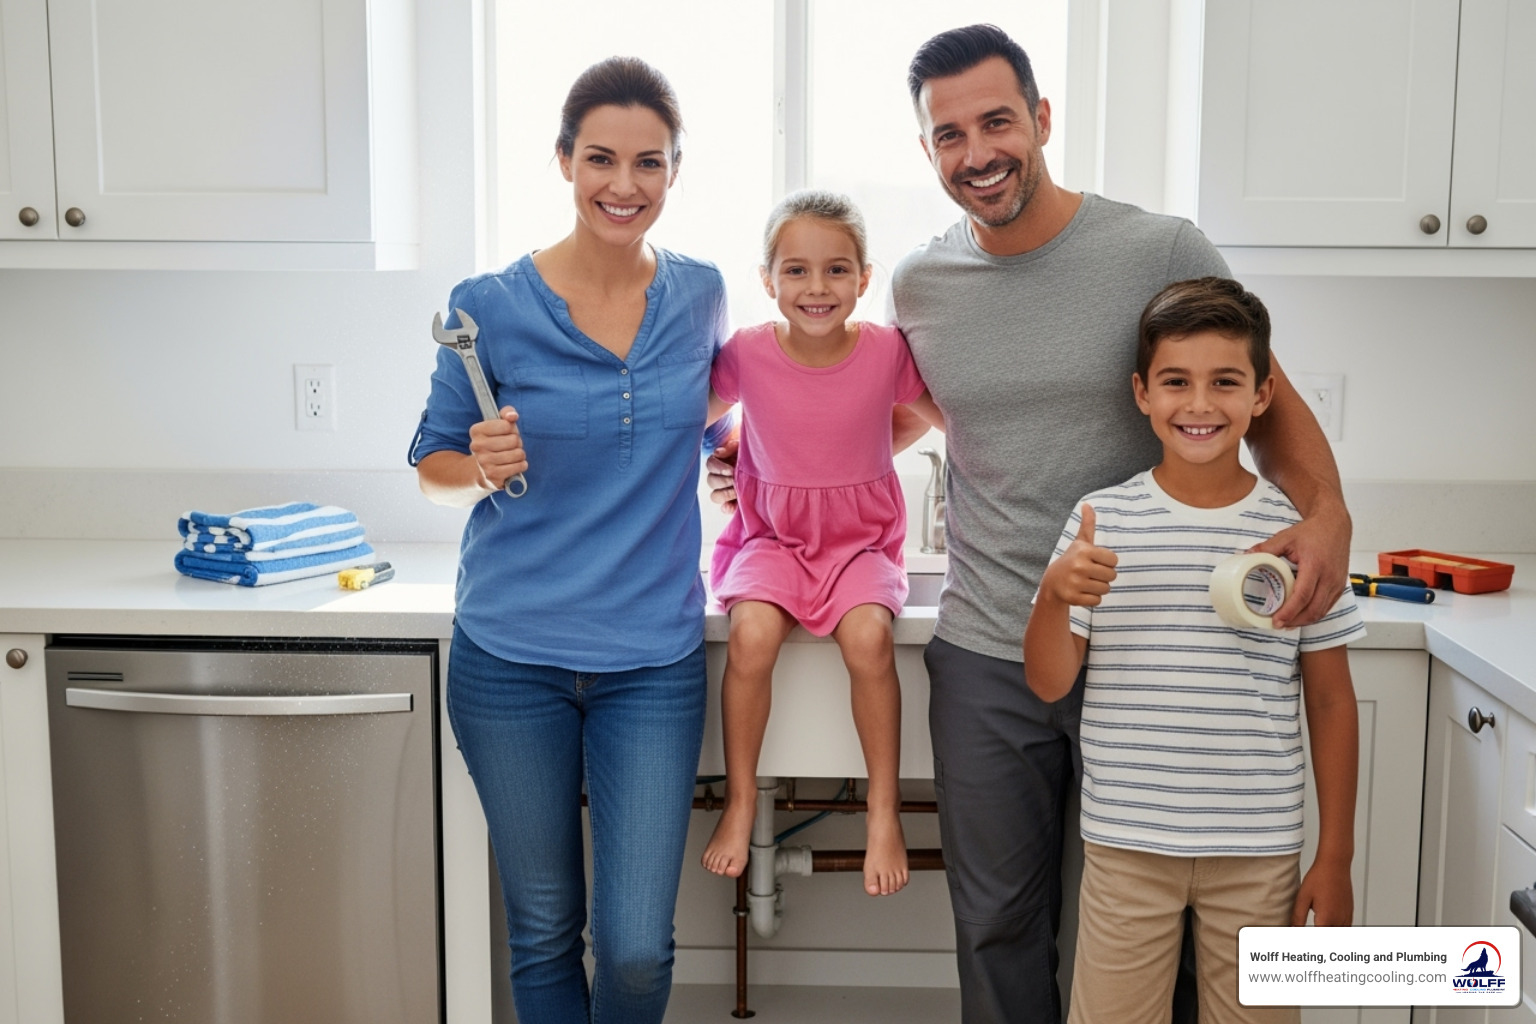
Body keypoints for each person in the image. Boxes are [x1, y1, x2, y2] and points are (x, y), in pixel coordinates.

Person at [703, 23, 1353, 1023]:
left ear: (1042, 119)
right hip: (987, 648)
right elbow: (896, 408)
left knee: (1153, 930)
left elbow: (1262, 399)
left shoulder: (1158, 247)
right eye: (949, 134)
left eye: (997, 120)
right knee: (997, 923)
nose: (978, 153)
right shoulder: (919, 285)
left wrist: (1327, 518)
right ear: (927, 152)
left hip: (1147, 648)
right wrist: (761, 445)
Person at [408, 57, 732, 1024]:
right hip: (510, 657)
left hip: (652, 661)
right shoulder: (490, 305)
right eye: (600, 159)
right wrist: (481, 461)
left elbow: (702, 417)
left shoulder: (703, 294)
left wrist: (732, 454)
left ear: (675, 171)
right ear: (563, 161)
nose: (622, 186)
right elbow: (430, 467)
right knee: (544, 926)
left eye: (648, 163)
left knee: (635, 947)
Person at [1024, 277, 1362, 1024]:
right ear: (1142, 393)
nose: (1200, 405)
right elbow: (1050, 684)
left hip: (1261, 850)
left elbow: (1332, 699)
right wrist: (1053, 594)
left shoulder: (1299, 536)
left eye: (1225, 382)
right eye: (1177, 382)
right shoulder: (1100, 522)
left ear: (1263, 394)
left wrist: (1333, 856)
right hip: (1126, 845)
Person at [700, 189, 945, 897]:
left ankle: (882, 810)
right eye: (797, 271)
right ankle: (742, 799)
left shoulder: (884, 350)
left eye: (837, 270)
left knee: (869, 639)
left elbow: (944, 420)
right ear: (768, 279)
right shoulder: (746, 353)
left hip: (862, 543)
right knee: (749, 637)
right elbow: (690, 418)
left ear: (864, 279)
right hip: (772, 537)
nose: (817, 287)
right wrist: (727, 457)